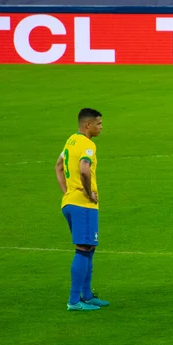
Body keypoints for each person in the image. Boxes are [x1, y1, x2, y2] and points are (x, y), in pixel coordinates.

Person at [55, 108, 109, 311]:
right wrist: (87, 193)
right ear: (88, 125)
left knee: (89, 248)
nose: (101, 127)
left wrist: (67, 192)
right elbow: (85, 169)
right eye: (99, 123)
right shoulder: (88, 145)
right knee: (83, 249)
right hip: (83, 205)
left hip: (70, 202)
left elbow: (58, 166)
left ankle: (86, 295)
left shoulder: (71, 140)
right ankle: (74, 301)